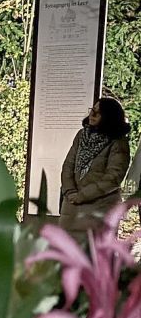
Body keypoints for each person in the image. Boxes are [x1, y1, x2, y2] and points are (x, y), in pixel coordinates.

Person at [59, 97, 131, 239]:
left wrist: (82, 196)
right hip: (72, 207)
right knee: (67, 249)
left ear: (109, 117)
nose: (92, 115)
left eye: (98, 113)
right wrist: (70, 191)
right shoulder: (82, 135)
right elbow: (68, 165)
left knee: (93, 250)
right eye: (92, 110)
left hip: (100, 208)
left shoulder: (118, 142)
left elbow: (113, 178)